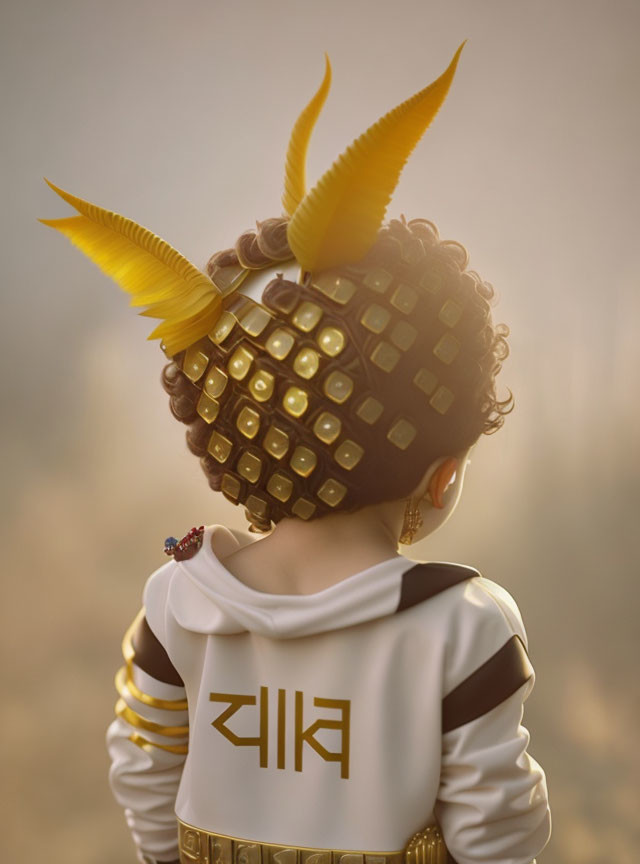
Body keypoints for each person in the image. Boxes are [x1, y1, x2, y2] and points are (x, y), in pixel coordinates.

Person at [41, 43, 551, 864]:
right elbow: (501, 829)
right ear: (442, 473)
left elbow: (142, 768)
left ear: (241, 437)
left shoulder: (178, 601)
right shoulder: (464, 630)